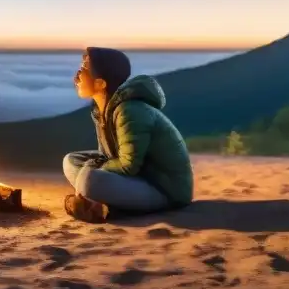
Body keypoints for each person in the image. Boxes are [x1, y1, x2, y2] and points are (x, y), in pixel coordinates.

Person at [63, 46, 194, 223]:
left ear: (101, 83)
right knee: (70, 161)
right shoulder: (103, 110)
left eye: (85, 68)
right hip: (136, 179)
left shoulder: (128, 111)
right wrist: (93, 166)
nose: (78, 74)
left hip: (164, 189)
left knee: (90, 179)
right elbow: (108, 156)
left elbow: (128, 166)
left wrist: (93, 170)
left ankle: (87, 202)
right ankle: (90, 200)